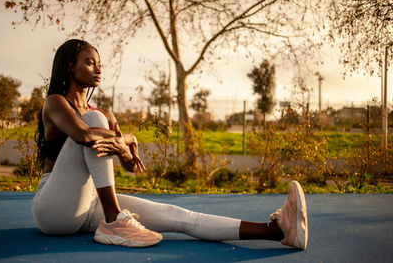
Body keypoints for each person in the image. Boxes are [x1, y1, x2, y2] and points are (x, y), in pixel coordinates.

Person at [32, 39, 308, 249]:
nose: (98, 68)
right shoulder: (56, 103)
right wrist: (124, 138)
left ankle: (276, 231)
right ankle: (115, 222)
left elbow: (129, 165)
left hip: (90, 204)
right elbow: (83, 135)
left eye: (99, 63)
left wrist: (125, 151)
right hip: (54, 209)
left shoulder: (105, 115)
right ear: (69, 66)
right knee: (93, 121)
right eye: (90, 62)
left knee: (177, 216)